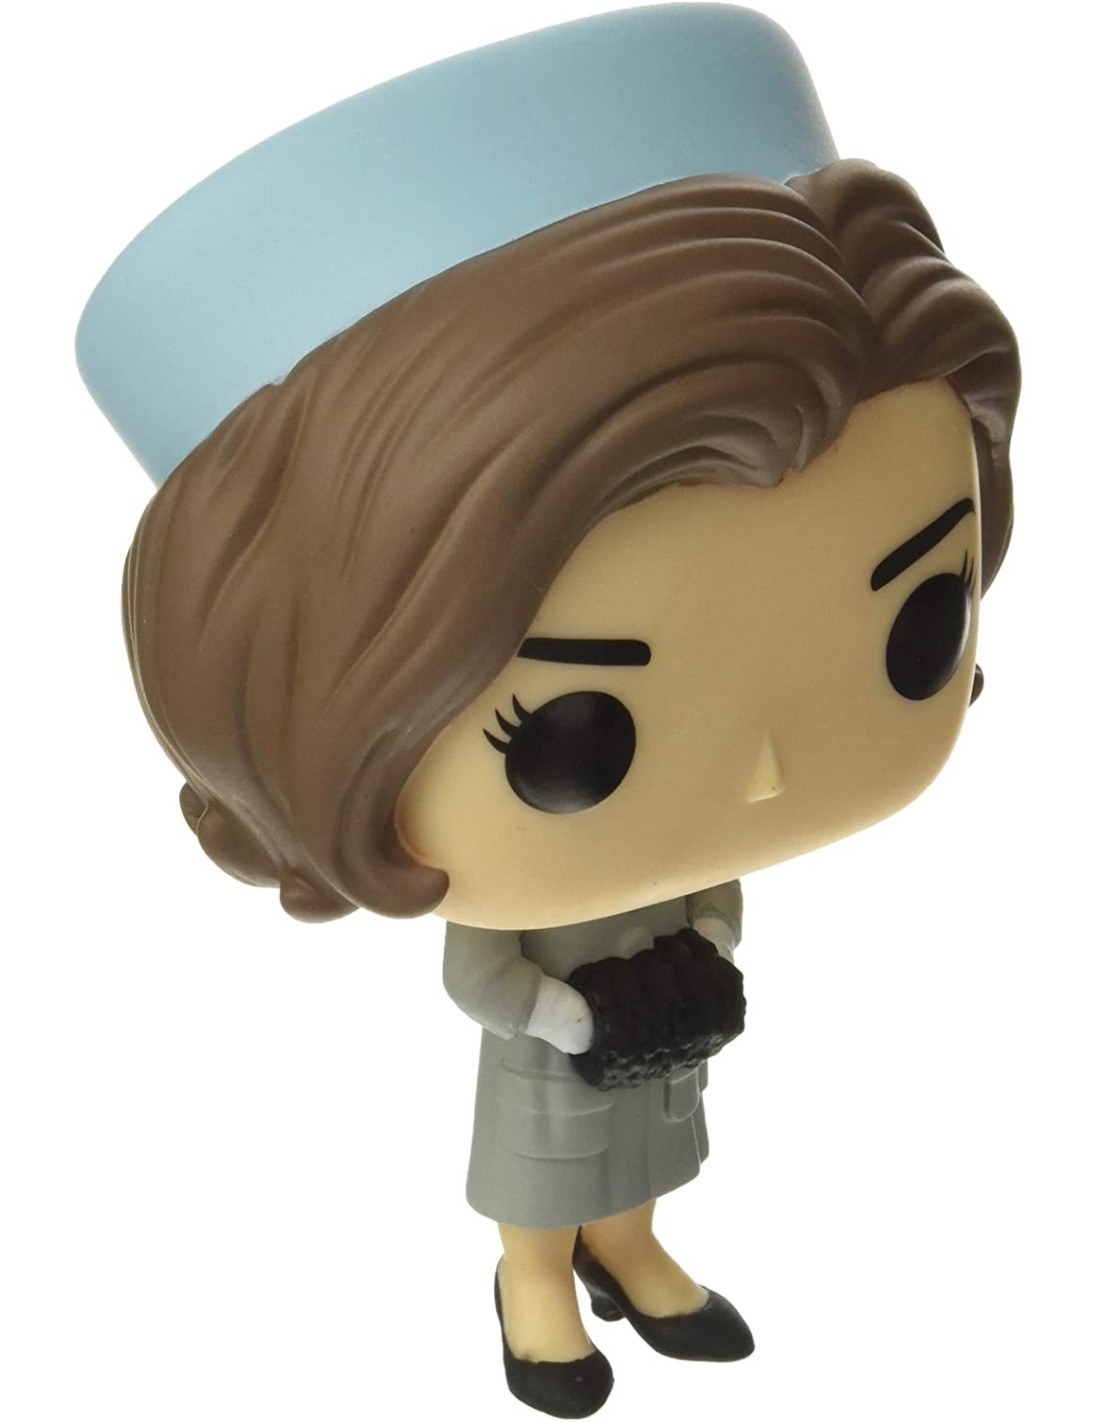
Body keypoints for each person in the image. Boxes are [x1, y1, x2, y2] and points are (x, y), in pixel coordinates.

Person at [78, 9, 1019, 1417]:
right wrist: (576, 1016)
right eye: (576, 730)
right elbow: (480, 978)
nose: (766, 771)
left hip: (665, 1027)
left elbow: (713, 879)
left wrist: (707, 945)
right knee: (545, 1175)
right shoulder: (516, 907)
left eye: (921, 621)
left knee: (650, 1154)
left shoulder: (685, 855)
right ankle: (534, 1287)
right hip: (560, 1042)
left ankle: (632, 1251)